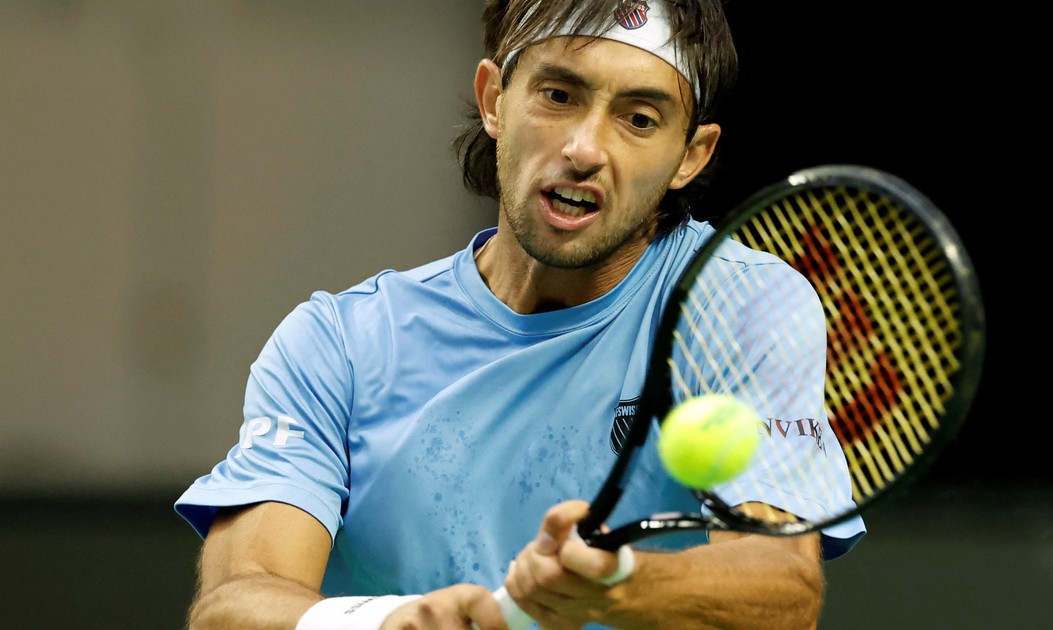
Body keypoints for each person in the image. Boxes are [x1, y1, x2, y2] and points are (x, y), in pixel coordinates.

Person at [175, 1, 865, 628]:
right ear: (494, 100)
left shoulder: (737, 305)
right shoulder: (338, 345)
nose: (585, 149)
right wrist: (386, 623)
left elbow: (782, 590)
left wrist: (619, 583)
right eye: (558, 95)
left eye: (639, 119)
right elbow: (235, 603)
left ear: (691, 155)